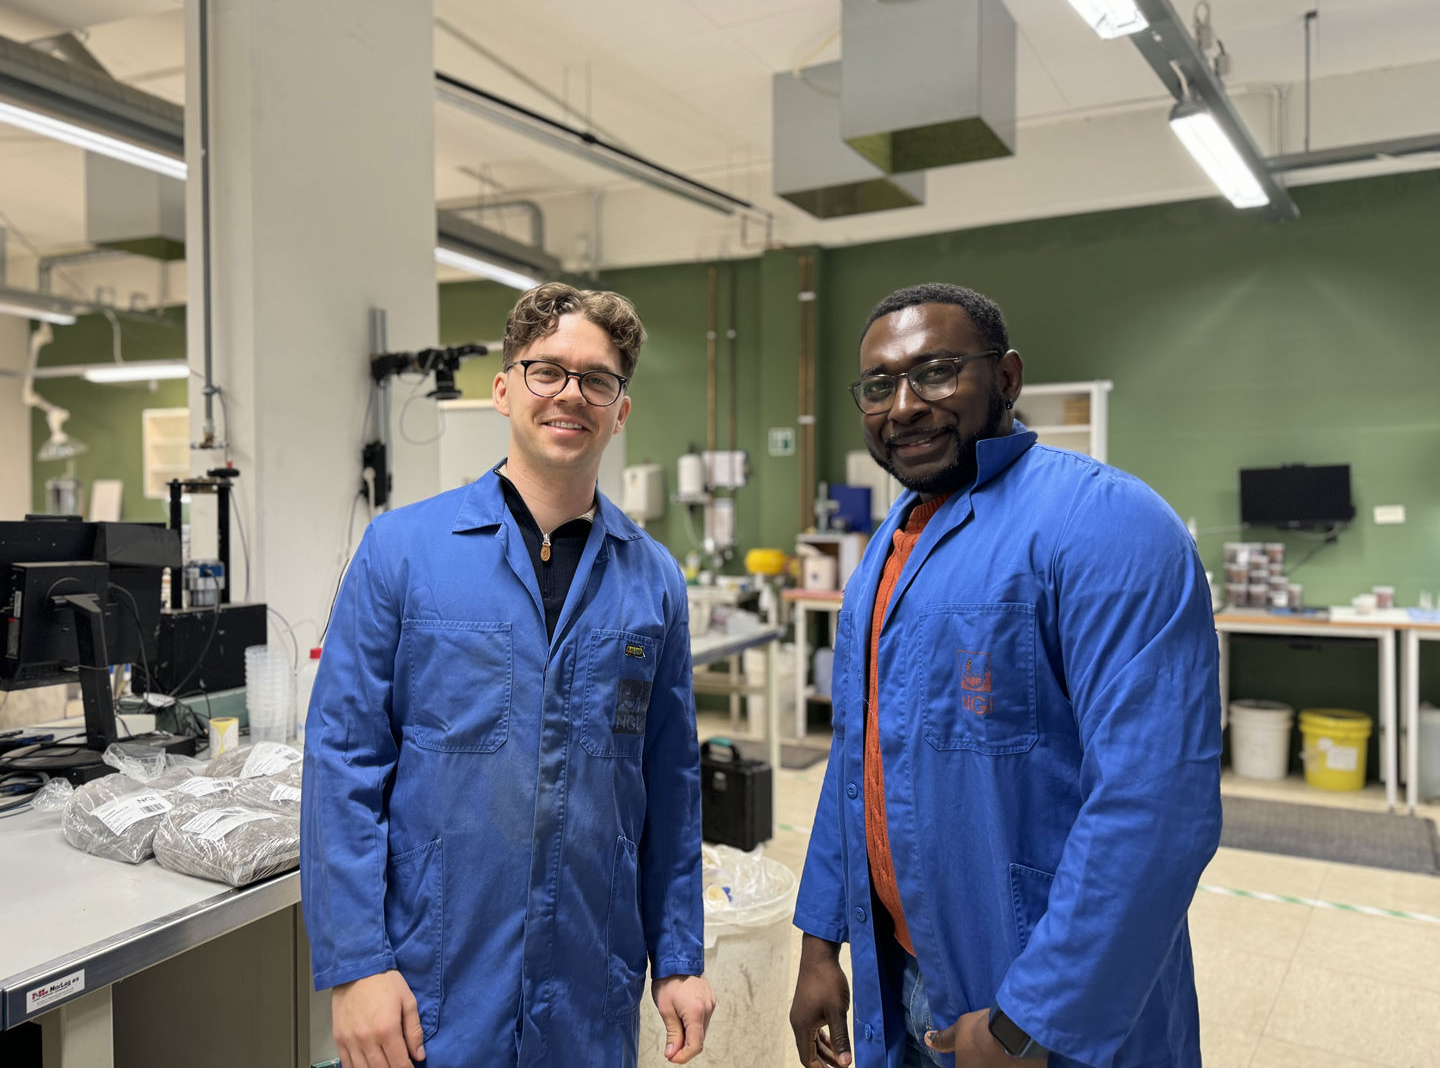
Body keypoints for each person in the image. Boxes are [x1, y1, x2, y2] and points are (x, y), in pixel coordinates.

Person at [789, 283, 1222, 1068]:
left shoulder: (1106, 525)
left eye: (938, 372)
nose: (904, 406)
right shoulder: (889, 548)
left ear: (1009, 379)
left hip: (1042, 1004)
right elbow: (858, 765)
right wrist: (822, 942)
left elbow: (1156, 808)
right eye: (879, 385)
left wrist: (1033, 1020)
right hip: (905, 979)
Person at [301, 282, 715, 1068]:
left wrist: (682, 955)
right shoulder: (403, 550)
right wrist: (357, 963)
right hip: (434, 981)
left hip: (592, 977)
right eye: (546, 371)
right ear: (503, 390)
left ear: (620, 409)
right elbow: (343, 761)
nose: (572, 395)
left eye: (598, 380)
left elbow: (671, 781)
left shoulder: (653, 578)